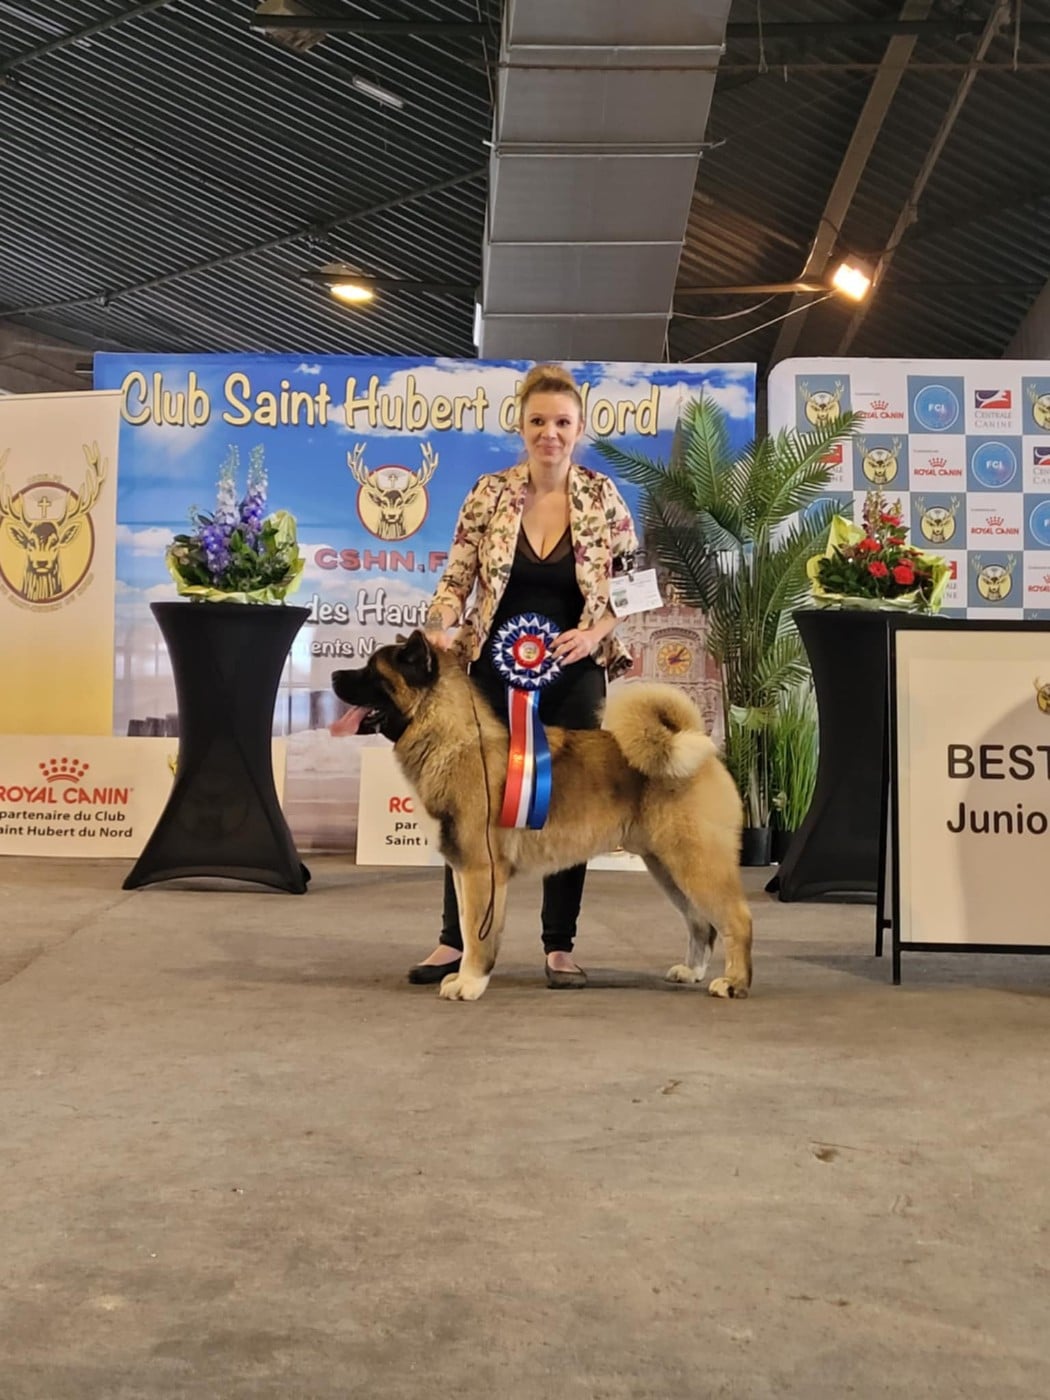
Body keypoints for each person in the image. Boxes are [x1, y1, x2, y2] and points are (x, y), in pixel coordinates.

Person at [408, 362, 639, 988]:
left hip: (574, 674)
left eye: (562, 422)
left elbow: (638, 588)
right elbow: (455, 579)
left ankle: (558, 945)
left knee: (571, 803)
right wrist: (440, 622)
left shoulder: (603, 498)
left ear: (580, 427)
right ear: (521, 425)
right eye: (538, 421)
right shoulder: (490, 493)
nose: (550, 434)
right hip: (490, 673)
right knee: (469, 807)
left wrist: (593, 634)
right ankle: (455, 940)